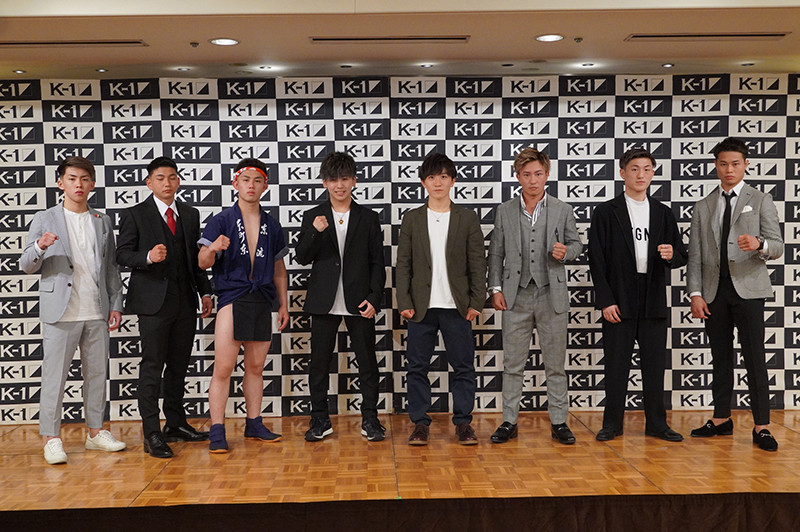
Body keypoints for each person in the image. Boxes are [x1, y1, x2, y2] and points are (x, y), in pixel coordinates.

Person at [20, 157, 126, 464]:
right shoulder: (45, 218)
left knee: (97, 375)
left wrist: (115, 303)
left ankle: (95, 432)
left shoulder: (102, 220)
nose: (78, 184)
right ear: (60, 183)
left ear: (92, 184)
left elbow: (110, 267)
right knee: (54, 378)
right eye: (72, 178)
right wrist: (40, 246)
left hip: (96, 309)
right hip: (60, 311)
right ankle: (51, 438)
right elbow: (26, 265)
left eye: (84, 179)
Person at [687, 137, 783, 451]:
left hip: (749, 291)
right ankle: (720, 419)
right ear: (716, 166)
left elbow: (778, 245)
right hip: (714, 292)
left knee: (755, 358)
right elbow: (695, 255)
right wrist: (695, 294)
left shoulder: (761, 199)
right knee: (720, 357)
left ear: (746, 165)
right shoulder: (703, 205)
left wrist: (759, 244)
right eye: (723, 164)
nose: (729, 169)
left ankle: (762, 426)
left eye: (735, 163)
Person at [588, 148, 687, 442]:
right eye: (634, 169)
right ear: (622, 173)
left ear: (653, 173)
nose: (640, 174)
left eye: (646, 169)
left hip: (653, 296)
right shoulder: (606, 212)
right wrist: (606, 300)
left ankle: (656, 423)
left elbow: (681, 255)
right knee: (616, 365)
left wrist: (671, 255)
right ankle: (612, 424)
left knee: (654, 366)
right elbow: (596, 260)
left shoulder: (663, 212)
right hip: (619, 296)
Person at [116, 156, 213, 458]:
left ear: (178, 181)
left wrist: (205, 292)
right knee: (153, 366)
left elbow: (195, 258)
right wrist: (147, 256)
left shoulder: (190, 214)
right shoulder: (135, 214)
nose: (167, 183)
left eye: (172, 177)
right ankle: (152, 433)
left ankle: (176, 423)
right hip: (153, 304)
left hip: (185, 300)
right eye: (160, 178)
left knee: (179, 365)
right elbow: (121, 254)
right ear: (149, 183)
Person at [487, 148, 583, 445]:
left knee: (555, 365)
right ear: (517, 176)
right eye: (526, 174)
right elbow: (496, 254)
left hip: (551, 294)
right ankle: (508, 421)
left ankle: (559, 422)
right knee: (513, 365)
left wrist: (566, 252)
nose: (533, 180)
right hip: (514, 295)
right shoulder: (504, 211)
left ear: (547, 175)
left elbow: (576, 244)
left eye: (538, 174)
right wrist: (495, 289)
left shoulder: (562, 209)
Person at [198, 158, 289, 453]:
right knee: (224, 367)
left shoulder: (272, 224)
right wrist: (212, 248)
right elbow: (202, 262)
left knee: (256, 366)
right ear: (235, 184)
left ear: (265, 186)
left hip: (261, 298)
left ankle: (254, 422)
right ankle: (217, 429)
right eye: (246, 180)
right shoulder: (222, 220)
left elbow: (279, 268)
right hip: (232, 296)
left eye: (257, 180)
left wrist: (284, 304)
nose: (251, 185)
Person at [295, 152, 387, 442]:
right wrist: (314, 232)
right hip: (324, 301)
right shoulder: (313, 216)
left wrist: (374, 298)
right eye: (333, 179)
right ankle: (319, 420)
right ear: (324, 183)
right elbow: (301, 257)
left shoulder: (368, 217)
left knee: (367, 363)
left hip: (359, 301)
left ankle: (370, 419)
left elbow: (377, 263)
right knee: (319, 364)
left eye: (345, 179)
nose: (339, 185)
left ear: (354, 181)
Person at [396, 153, 487, 445]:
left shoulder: (467, 218)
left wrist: (476, 302)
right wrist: (404, 302)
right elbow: (403, 264)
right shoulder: (412, 218)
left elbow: (478, 263)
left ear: (453, 181)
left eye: (444, 177)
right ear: (423, 182)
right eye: (432, 177)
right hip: (420, 308)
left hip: (457, 307)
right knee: (417, 368)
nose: (438, 182)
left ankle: (463, 423)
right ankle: (420, 424)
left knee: (463, 367)